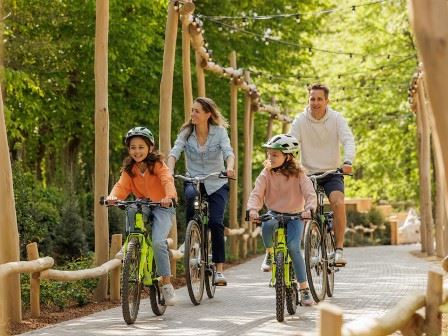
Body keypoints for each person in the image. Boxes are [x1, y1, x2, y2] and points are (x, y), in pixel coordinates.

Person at [167, 97, 235, 286]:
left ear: (208, 114)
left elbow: (229, 153)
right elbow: (175, 152)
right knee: (190, 197)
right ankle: (192, 235)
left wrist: (229, 168)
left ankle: (219, 270)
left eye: (197, 111)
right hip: (194, 179)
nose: (193, 114)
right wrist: (170, 170)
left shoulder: (220, 132)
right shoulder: (186, 133)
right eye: (192, 110)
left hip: (216, 182)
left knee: (215, 222)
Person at [107, 126, 178, 305]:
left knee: (157, 242)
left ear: (150, 148)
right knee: (131, 208)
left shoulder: (159, 165)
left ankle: (167, 284)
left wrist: (169, 197)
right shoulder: (129, 169)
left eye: (141, 147)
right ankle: (131, 242)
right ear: (128, 149)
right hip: (143, 204)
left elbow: (167, 181)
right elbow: (121, 186)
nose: (136, 151)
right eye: (133, 147)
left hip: (162, 206)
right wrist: (113, 197)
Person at [289, 83, 356, 265]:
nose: (316, 102)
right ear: (308, 100)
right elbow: (291, 142)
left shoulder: (336, 119)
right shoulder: (300, 120)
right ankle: (310, 244)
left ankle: (339, 249)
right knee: (304, 210)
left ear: (327, 100)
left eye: (320, 99)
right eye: (312, 99)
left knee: (338, 203)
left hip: (332, 173)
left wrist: (348, 161)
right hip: (308, 174)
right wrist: (287, 161)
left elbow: (348, 140)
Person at [247, 134, 317, 306]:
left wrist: (309, 209)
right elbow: (257, 193)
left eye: (275, 155)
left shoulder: (300, 175)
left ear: (288, 157)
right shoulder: (266, 173)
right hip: (274, 213)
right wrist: (253, 209)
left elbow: (309, 193)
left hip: (295, 216)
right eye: (269, 154)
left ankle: (304, 288)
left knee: (293, 248)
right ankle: (270, 253)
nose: (270, 158)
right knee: (267, 224)